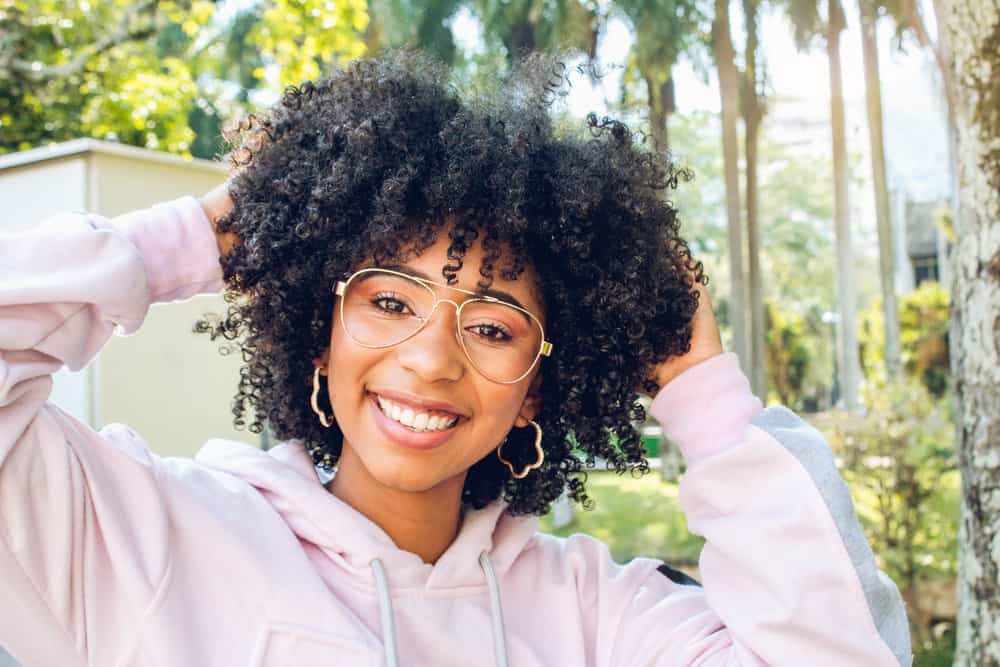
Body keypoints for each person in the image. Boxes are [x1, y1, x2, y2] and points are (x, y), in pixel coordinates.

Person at [0, 52, 911, 666]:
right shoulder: (140, 537)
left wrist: (702, 395)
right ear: (322, 335)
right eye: (390, 300)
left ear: (534, 391)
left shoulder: (598, 614)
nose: (432, 359)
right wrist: (188, 242)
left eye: (492, 325)